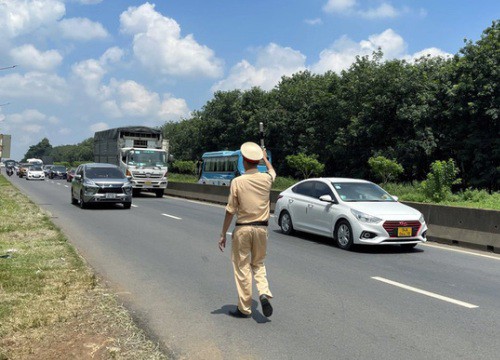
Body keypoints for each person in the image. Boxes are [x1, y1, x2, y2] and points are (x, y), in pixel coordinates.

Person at [218, 142, 275, 318]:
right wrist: (265, 158)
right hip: (261, 229)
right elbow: (273, 172)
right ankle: (263, 292)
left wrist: (223, 234)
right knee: (258, 263)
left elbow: (230, 210)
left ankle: (244, 308)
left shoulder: (237, 182)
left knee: (242, 266)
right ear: (258, 161)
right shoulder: (266, 179)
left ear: (243, 160)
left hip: (243, 229)